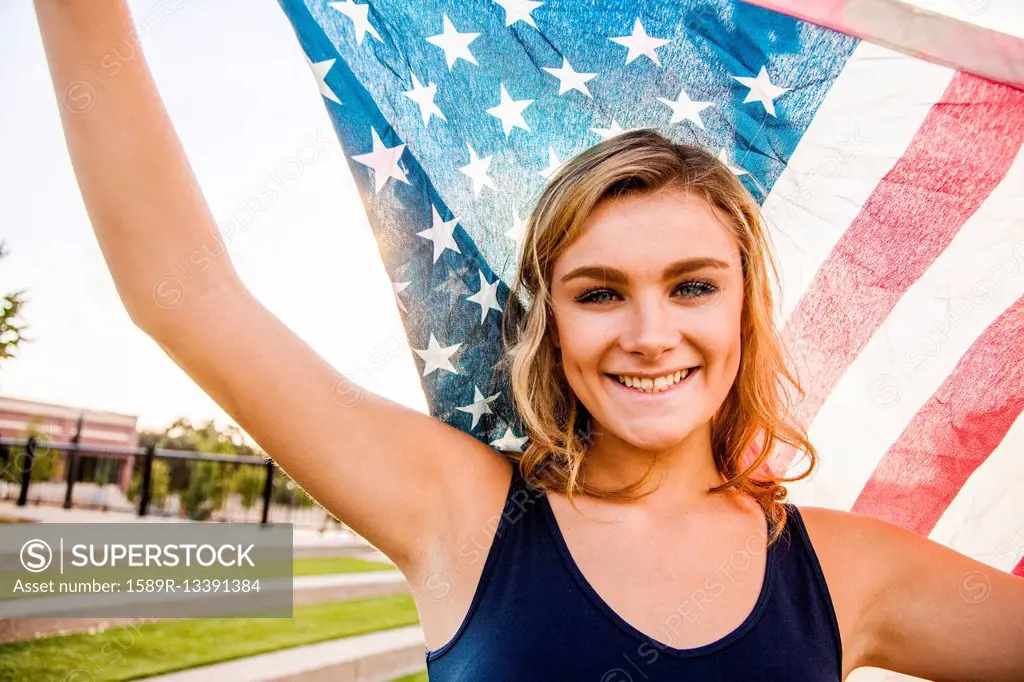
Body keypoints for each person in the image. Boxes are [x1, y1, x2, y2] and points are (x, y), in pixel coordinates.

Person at [34, 1, 1024, 680]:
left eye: (691, 286)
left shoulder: (848, 572)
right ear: (549, 323)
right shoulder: (461, 512)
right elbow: (187, 295)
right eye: (599, 292)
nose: (648, 333)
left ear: (740, 312)